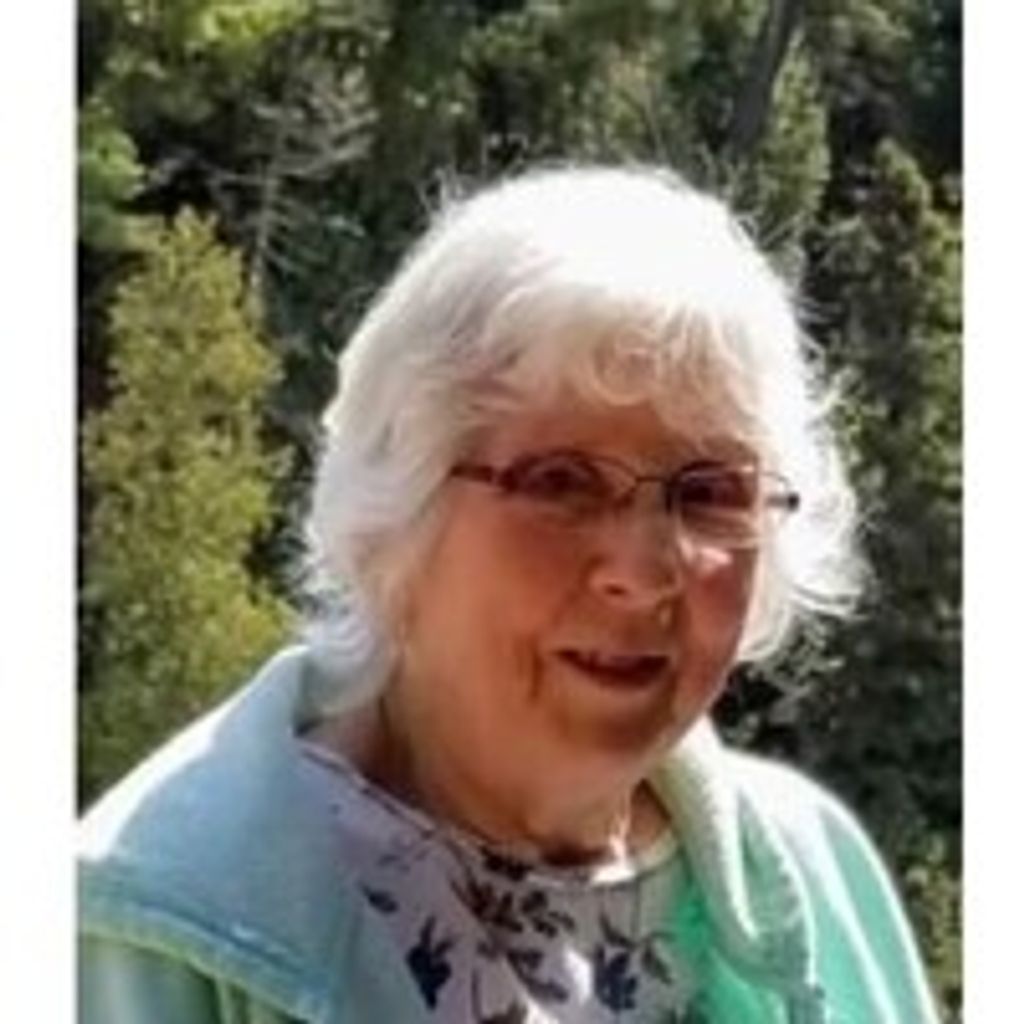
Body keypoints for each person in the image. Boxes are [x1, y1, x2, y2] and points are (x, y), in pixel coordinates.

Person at [78, 165, 940, 1023]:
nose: (643, 571)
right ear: (398, 514)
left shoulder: (812, 874)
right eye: (561, 481)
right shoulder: (156, 926)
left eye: (710, 492)